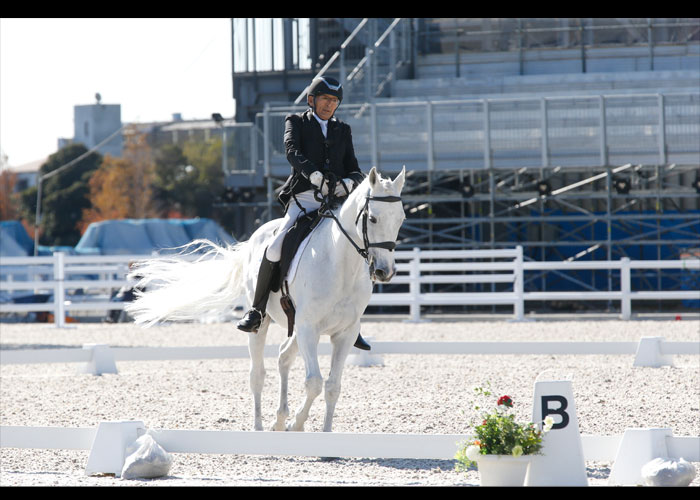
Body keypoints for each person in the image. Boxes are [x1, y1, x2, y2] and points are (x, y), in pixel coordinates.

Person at [237, 76, 370, 350]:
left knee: (358, 247)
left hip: (335, 203)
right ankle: (257, 310)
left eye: (334, 101)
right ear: (312, 100)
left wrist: (348, 183)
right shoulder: (296, 122)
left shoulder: (342, 130)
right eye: (324, 99)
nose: (329, 105)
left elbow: (354, 167)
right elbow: (291, 151)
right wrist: (315, 175)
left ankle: (351, 320)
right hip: (305, 200)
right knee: (274, 248)